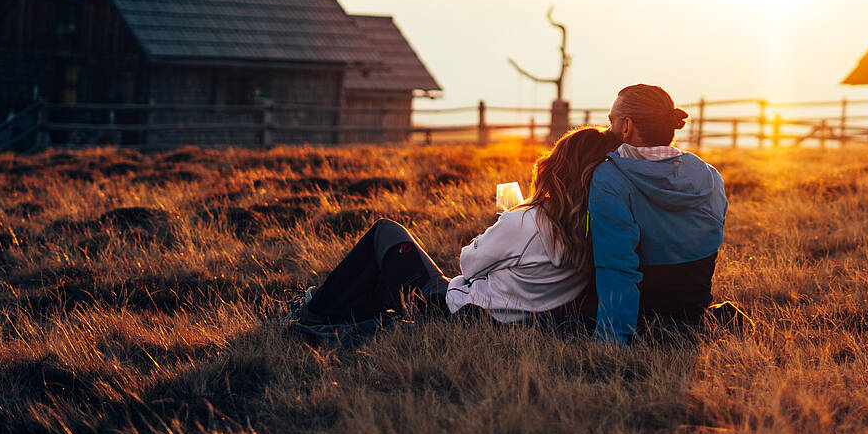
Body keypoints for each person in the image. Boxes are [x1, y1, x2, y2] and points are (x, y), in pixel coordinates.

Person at [294, 125, 622, 335]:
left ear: (557, 167)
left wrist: (498, 226)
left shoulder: (527, 221)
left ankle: (316, 310)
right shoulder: (597, 229)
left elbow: (468, 264)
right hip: (513, 318)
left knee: (386, 232)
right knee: (384, 280)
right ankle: (328, 309)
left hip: (457, 311)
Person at [588, 83, 728, 345]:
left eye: (612, 121)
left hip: (643, 311)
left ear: (627, 127)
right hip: (692, 307)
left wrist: (611, 340)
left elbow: (617, 264)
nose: (609, 129)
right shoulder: (709, 176)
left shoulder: (610, 178)